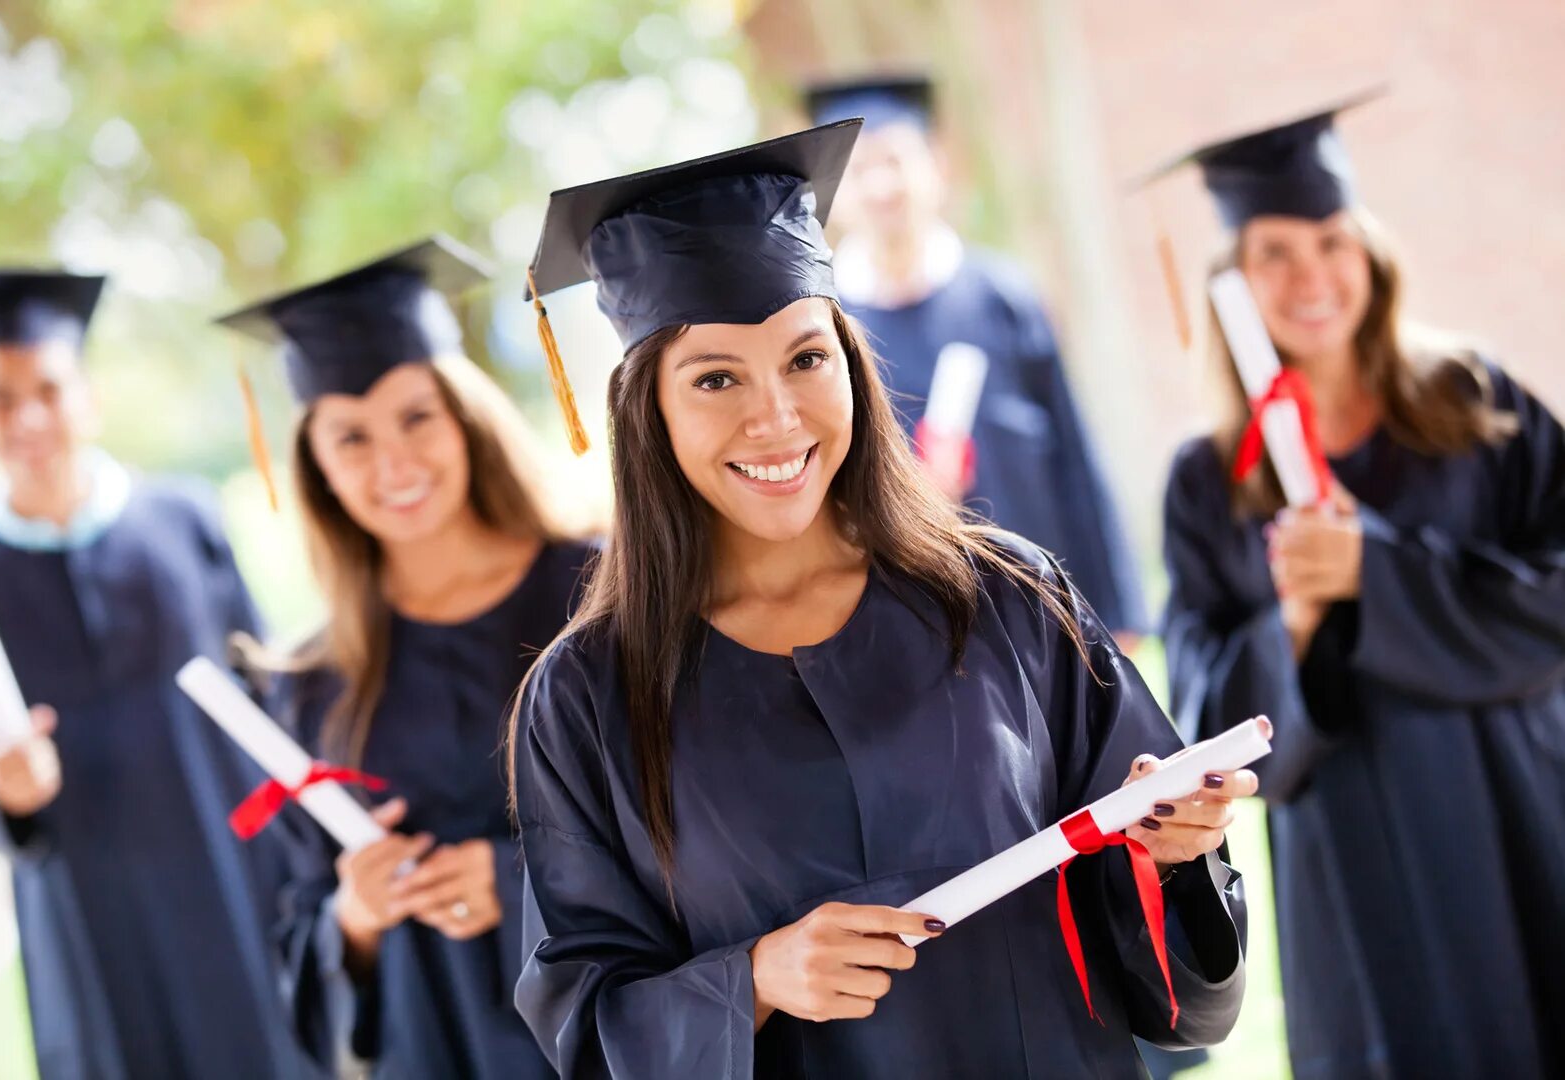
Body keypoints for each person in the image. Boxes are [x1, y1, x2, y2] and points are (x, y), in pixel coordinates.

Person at [509, 122, 1256, 1078]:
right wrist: (754, 982)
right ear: (645, 408)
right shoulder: (588, 698)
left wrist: (1173, 852)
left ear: (851, 363)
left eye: (805, 359)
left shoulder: (1006, 601)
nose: (775, 416)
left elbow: (1165, 968)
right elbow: (584, 1014)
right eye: (715, 378)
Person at [1157, 91, 1565, 1078]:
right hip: (1352, 845)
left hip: (1516, 802)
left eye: (1332, 242)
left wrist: (1375, 570)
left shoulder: (1477, 400)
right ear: (1232, 285)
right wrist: (1293, 622)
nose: (1310, 276)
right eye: (1274, 253)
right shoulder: (1208, 482)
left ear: (1371, 255)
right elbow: (1203, 712)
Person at [217, 235, 594, 1078]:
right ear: (316, 466)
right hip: (436, 1041)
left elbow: (696, 820)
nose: (393, 462)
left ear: (464, 416)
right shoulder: (315, 682)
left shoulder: (600, 592)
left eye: (416, 415)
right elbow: (303, 920)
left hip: (608, 1029)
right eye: (349, 438)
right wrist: (356, 912)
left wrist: (522, 882)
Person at [0, 270, 306, 1078]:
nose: (31, 416)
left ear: (88, 396)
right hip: (85, 911)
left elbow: (268, 693)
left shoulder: (184, 522)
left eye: (50, 387)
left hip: (233, 878)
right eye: (2, 399)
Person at [806, 76, 1147, 650]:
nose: (883, 184)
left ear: (936, 166)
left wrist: (1114, 608)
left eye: (896, 159)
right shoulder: (825, 326)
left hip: (1040, 602)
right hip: (909, 622)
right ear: (835, 194)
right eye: (860, 169)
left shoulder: (1002, 298)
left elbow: (1073, 455)